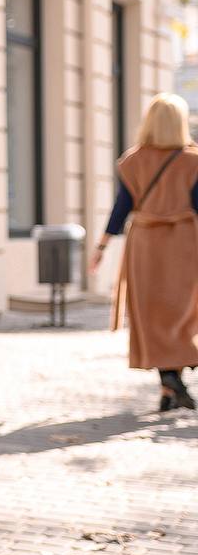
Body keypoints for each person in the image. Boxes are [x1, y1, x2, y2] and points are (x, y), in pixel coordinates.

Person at [89, 92, 198, 412]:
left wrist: (101, 246)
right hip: (185, 243)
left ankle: (168, 386)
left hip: (145, 246)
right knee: (181, 313)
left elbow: (120, 209)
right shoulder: (193, 162)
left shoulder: (132, 160)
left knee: (153, 315)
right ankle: (173, 379)